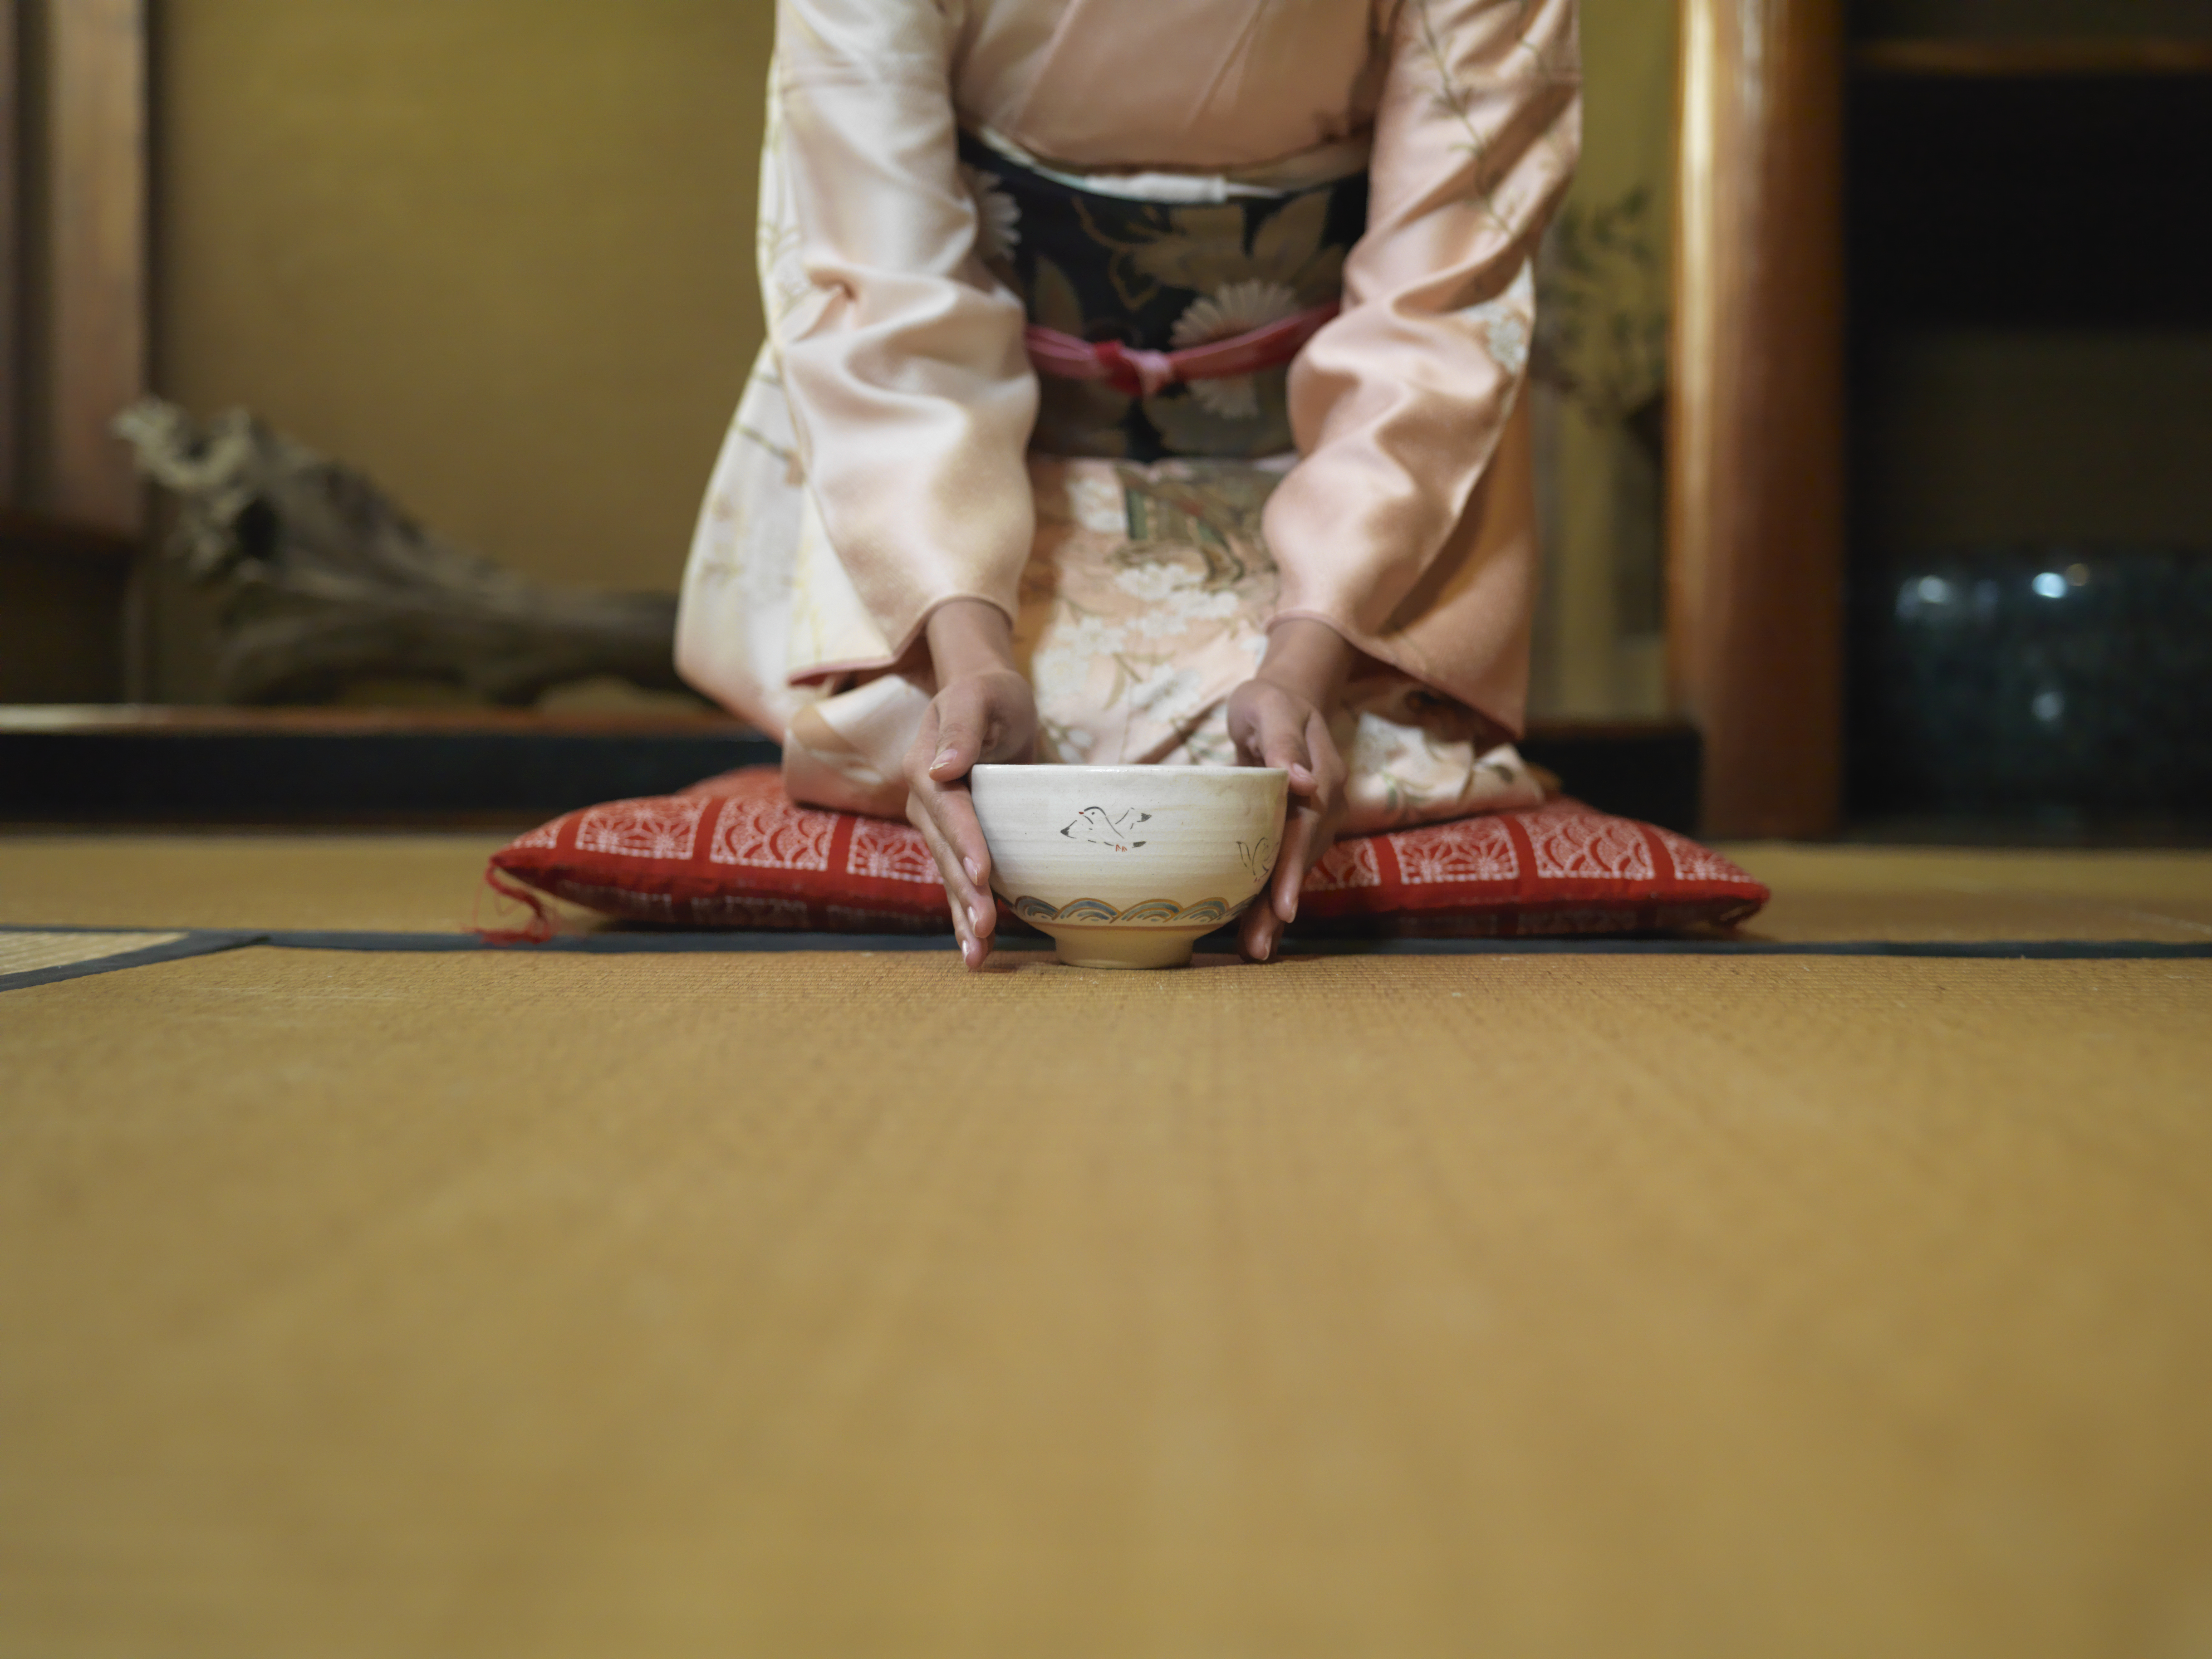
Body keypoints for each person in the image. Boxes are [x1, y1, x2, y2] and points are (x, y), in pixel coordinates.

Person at [675, 0, 1581, 967]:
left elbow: (1435, 300)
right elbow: (881, 278)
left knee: (1275, 743)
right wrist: (967, 648)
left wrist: (1304, 660)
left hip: (1326, 467)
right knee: (942, 720)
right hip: (961, 467)